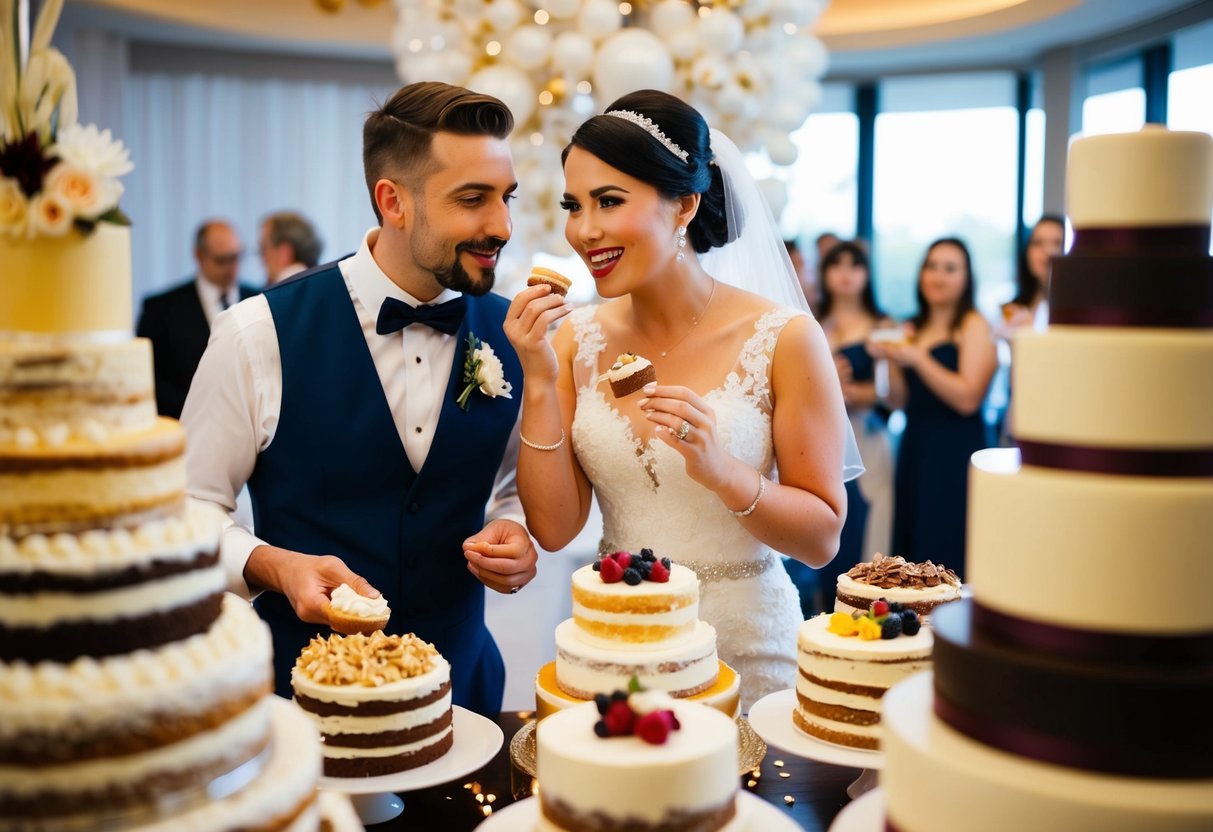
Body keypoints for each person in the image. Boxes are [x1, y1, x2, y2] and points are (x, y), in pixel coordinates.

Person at [181, 82, 537, 715]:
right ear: (392, 201)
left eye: (507, 198)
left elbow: (513, 482)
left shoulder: (518, 336)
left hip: (466, 693)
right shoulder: (257, 331)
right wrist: (270, 564)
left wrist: (511, 521)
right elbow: (185, 506)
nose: (502, 226)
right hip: (299, 703)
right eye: (472, 199)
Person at [504, 90, 862, 709]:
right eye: (574, 205)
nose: (585, 231)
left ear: (684, 206)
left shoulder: (784, 339)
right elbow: (557, 529)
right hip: (619, 647)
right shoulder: (572, 340)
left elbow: (822, 538)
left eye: (610, 201)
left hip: (747, 651)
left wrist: (724, 473)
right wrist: (538, 378)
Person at [868, 238, 997, 580]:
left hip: (957, 449)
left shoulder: (973, 325)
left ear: (966, 278)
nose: (938, 276)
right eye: (931, 266)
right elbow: (897, 401)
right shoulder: (913, 325)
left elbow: (969, 397)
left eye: (950, 269)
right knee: (915, 542)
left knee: (949, 539)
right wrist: (889, 358)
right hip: (916, 445)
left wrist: (919, 358)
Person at [815, 241, 894, 607]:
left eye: (855, 265)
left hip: (867, 435)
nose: (846, 273)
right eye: (837, 264)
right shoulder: (809, 320)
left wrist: (848, 392)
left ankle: (865, 606)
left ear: (866, 273)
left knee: (871, 524)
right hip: (820, 438)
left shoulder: (883, 326)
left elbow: (893, 395)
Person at [135, 220, 259, 418]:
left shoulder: (259, 299)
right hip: (185, 427)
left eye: (237, 257)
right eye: (222, 260)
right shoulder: (160, 308)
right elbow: (147, 377)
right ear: (199, 255)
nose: (232, 268)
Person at [993, 215, 1065, 443]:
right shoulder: (1016, 305)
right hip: (1018, 410)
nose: (1047, 251)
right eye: (1038, 243)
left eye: (1057, 243)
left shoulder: (1073, 308)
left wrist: (1029, 333)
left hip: (1057, 414)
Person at [259, 210, 323, 285]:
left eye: (263, 250)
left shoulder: (279, 293)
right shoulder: (322, 285)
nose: (261, 260)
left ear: (284, 253)